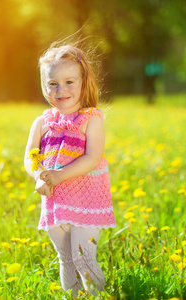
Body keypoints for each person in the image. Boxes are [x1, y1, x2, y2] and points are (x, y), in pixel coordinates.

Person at [24, 42, 116, 297]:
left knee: (83, 257)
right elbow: (30, 156)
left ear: (83, 82)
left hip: (86, 200)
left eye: (69, 82)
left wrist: (60, 175)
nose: (60, 90)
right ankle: (72, 296)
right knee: (65, 257)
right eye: (52, 83)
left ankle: (96, 296)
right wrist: (38, 176)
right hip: (54, 200)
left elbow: (93, 158)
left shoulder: (90, 120)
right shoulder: (42, 122)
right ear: (44, 86)